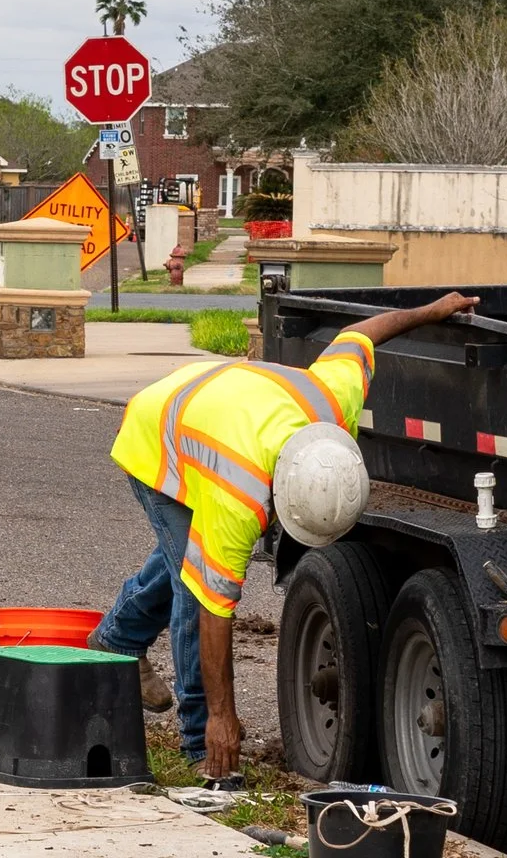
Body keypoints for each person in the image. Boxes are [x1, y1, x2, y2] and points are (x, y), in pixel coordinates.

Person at [104, 292, 479, 776]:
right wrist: (222, 718)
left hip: (219, 401)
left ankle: (118, 640)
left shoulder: (333, 402)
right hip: (160, 431)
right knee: (192, 589)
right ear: (278, 496)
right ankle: (199, 746)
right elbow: (213, 613)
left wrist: (434, 310)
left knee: (194, 561)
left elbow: (362, 334)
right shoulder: (237, 495)